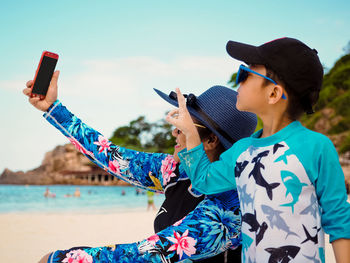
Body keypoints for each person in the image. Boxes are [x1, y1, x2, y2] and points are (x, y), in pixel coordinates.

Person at [23, 76, 257, 262]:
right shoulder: (176, 170)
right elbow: (110, 155)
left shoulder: (229, 202)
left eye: (183, 126)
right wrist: (53, 108)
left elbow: (152, 253)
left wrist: (61, 259)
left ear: (211, 141)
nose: (174, 132)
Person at [167, 37, 350, 262]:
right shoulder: (241, 150)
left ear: (273, 94)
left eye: (245, 74)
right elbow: (204, 180)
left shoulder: (316, 147)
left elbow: (339, 221)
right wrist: (193, 135)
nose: (239, 82)